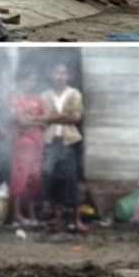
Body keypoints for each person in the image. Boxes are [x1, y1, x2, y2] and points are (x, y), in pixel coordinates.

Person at [41, 62, 87, 232]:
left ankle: (76, 219)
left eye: (63, 73)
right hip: (51, 141)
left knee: (71, 179)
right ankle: (57, 216)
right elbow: (43, 117)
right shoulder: (45, 95)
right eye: (57, 73)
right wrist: (63, 116)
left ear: (68, 76)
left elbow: (75, 117)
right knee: (52, 179)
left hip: (68, 141)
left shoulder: (74, 94)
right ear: (51, 75)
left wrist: (52, 118)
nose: (60, 77)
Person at [9, 67, 46, 226]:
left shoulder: (37, 98)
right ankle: (16, 214)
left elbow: (46, 119)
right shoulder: (15, 98)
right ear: (21, 80)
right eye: (30, 80)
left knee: (34, 179)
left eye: (34, 80)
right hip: (23, 143)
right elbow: (20, 121)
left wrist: (30, 119)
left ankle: (31, 214)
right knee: (20, 177)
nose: (33, 83)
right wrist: (35, 120)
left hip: (38, 143)